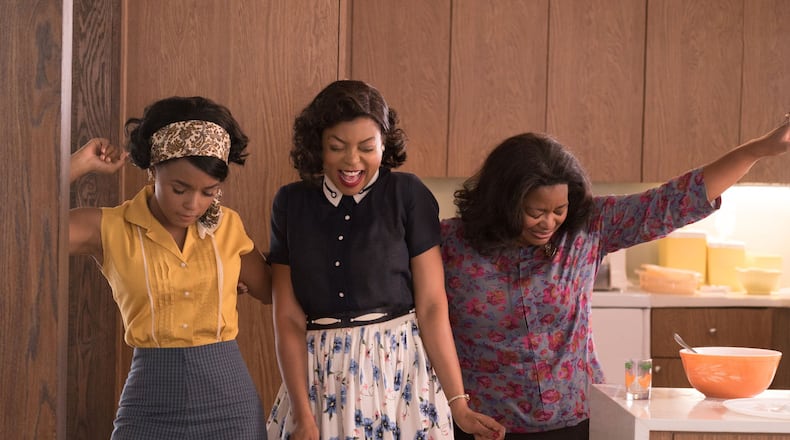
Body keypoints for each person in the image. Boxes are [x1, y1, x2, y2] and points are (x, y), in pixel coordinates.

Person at [440, 117, 790, 440]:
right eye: (535, 212)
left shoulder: (589, 227)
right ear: (503, 202)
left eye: (558, 210)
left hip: (577, 418)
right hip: (484, 424)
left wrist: (757, 149)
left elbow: (676, 199)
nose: (549, 223)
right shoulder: (450, 244)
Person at [265, 80, 505, 440]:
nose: (352, 161)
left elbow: (432, 306)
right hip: (319, 380)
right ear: (317, 146)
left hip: (401, 376)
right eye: (337, 147)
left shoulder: (408, 195)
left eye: (367, 147)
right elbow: (287, 317)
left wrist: (458, 403)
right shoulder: (290, 203)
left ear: (384, 144)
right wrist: (302, 414)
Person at [69, 96, 272, 439]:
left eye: (209, 192)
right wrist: (76, 164)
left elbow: (270, 290)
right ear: (153, 170)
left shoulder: (228, 226)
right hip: (150, 401)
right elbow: (27, 231)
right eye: (180, 189)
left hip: (230, 404)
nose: (193, 204)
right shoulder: (109, 228)